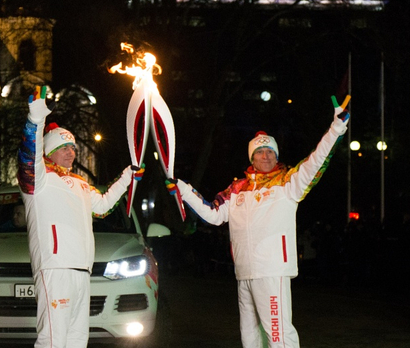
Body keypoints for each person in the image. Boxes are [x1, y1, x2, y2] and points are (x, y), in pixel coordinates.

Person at [170, 98, 349, 348]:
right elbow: (212, 213)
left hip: (272, 270)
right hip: (244, 272)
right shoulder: (237, 189)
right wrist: (182, 189)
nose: (265, 156)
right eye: (260, 152)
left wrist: (336, 130)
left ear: (276, 156)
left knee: (278, 334)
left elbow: (316, 162)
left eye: (270, 152)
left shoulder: (288, 183)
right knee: (251, 336)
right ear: (252, 158)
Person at [17, 86, 142, 348]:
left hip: (82, 269)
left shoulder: (81, 183)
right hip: (55, 266)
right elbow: (29, 156)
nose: (71, 152)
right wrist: (35, 120)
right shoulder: (38, 180)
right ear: (49, 152)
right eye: (64, 147)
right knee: (53, 338)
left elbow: (103, 206)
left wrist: (126, 178)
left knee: (76, 339)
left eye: (73, 147)